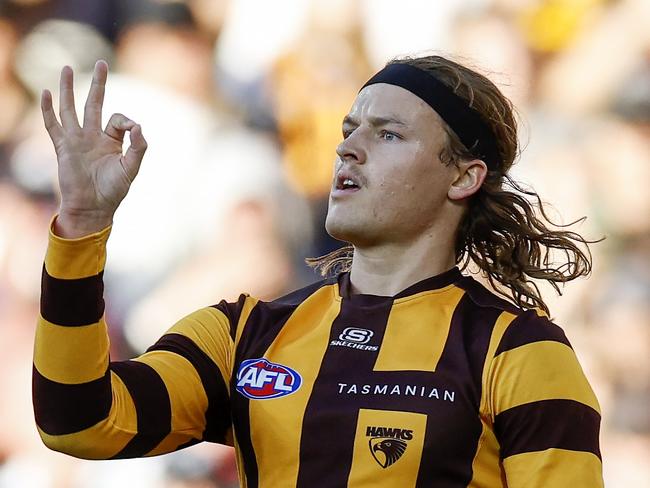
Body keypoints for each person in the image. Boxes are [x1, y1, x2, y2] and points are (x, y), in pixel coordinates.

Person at [33, 56, 603, 487]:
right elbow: (78, 421)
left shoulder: (522, 352)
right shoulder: (245, 333)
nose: (348, 149)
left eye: (388, 133)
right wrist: (81, 230)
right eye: (349, 130)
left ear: (462, 177)